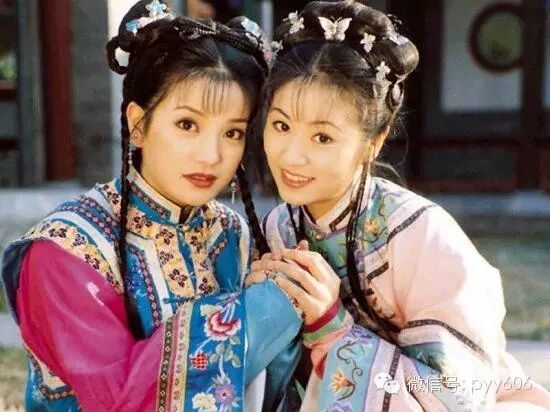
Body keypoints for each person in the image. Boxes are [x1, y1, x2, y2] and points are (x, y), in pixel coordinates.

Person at [248, 1, 550, 410]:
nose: (291, 156)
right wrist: (261, 310)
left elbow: (458, 393)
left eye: (323, 137)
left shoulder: (421, 235)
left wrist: (332, 327)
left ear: (374, 140)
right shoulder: (275, 229)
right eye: (281, 125)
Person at [1, 1, 302, 410]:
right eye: (187, 125)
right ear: (138, 124)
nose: (211, 156)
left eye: (232, 133)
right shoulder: (65, 251)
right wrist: (264, 309)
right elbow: (121, 401)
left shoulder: (230, 233)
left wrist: (298, 301)